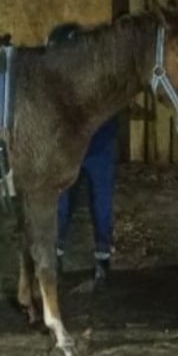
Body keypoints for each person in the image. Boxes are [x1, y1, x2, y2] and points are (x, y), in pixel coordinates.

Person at [47, 22, 118, 289]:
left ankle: (65, 258)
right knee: (95, 202)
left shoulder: (67, 77)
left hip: (82, 148)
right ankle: (99, 261)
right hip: (95, 146)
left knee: (69, 203)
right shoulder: (99, 72)